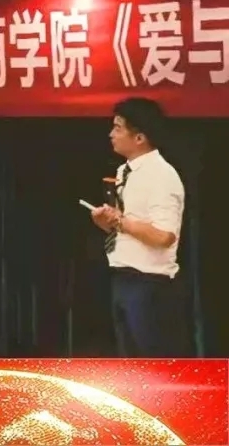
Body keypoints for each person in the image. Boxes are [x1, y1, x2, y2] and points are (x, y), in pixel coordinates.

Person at [90, 97, 186, 357]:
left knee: (153, 364)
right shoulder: (125, 171)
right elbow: (129, 227)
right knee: (130, 364)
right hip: (123, 277)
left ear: (140, 137)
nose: (111, 134)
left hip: (150, 284)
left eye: (118, 128)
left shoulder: (161, 175)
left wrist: (120, 221)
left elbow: (164, 236)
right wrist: (108, 222)